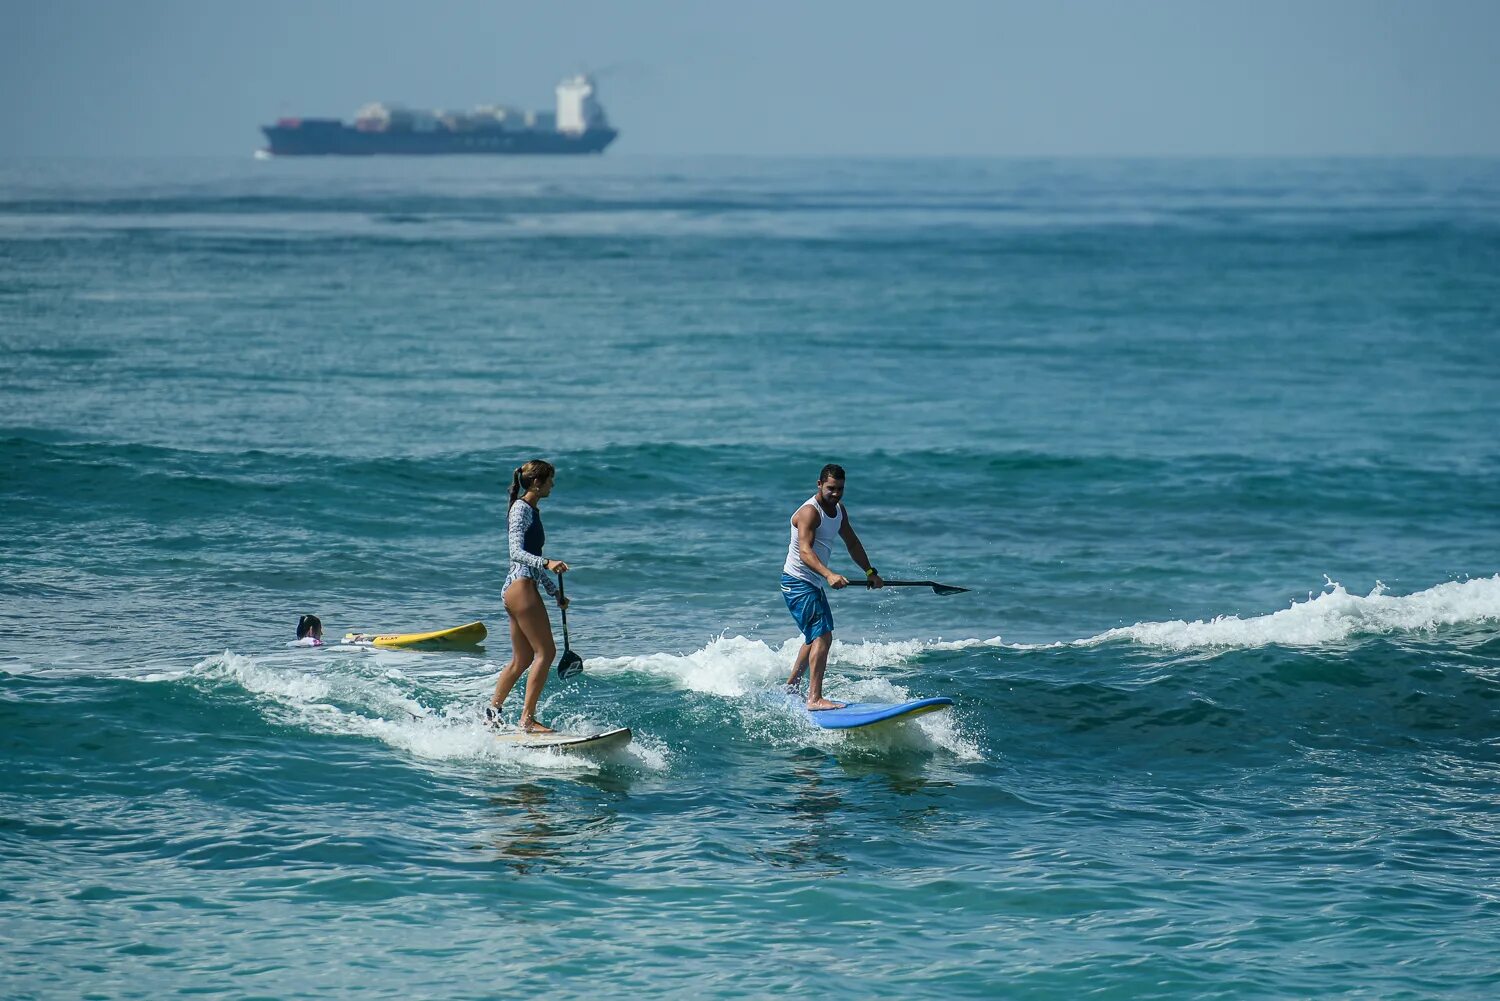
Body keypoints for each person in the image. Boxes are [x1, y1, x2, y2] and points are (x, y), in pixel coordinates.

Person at [781, 463, 884, 710]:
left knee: (814, 635)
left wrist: (870, 572)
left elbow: (852, 542)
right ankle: (814, 699)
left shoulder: (838, 510)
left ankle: (791, 686)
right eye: (830, 488)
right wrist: (829, 574)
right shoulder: (809, 512)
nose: (836, 493)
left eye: (840, 489)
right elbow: (805, 552)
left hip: (811, 582)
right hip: (798, 582)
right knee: (823, 635)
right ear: (819, 485)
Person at [486, 459, 570, 733]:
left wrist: (552, 590)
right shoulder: (521, 509)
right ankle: (528, 720)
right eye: (550, 480)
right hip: (519, 587)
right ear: (537, 482)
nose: (553, 485)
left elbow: (528, 560)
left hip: (520, 586)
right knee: (546, 652)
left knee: (522, 659)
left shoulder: (532, 510)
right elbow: (516, 554)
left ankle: (491, 714)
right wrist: (547, 563)